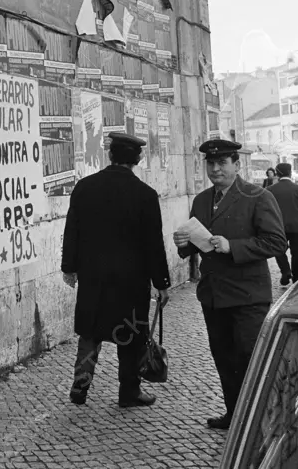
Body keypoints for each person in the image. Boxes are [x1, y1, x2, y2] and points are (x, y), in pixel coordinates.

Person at [173, 139, 286, 430]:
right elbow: (197, 243)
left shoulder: (257, 196)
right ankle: (234, 415)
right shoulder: (200, 200)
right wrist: (184, 245)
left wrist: (231, 246)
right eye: (211, 163)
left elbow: (276, 242)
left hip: (248, 296)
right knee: (223, 356)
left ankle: (262, 420)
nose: (215, 169)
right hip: (213, 295)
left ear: (237, 165)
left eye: (222, 163)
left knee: (251, 359)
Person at [62, 132, 171, 408]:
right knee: (131, 337)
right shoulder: (145, 195)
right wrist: (162, 282)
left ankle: (81, 386)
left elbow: (71, 231)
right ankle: (129, 392)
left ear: (109, 155)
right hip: (131, 282)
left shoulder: (85, 187)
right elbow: (153, 244)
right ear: (138, 158)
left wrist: (69, 268)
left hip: (93, 278)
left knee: (90, 333)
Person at [266, 163, 298, 285]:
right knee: (297, 253)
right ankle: (297, 278)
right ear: (290, 172)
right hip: (297, 227)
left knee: (278, 250)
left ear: (277, 173)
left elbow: (266, 211)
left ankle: (285, 271)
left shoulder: (270, 190)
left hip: (277, 227)